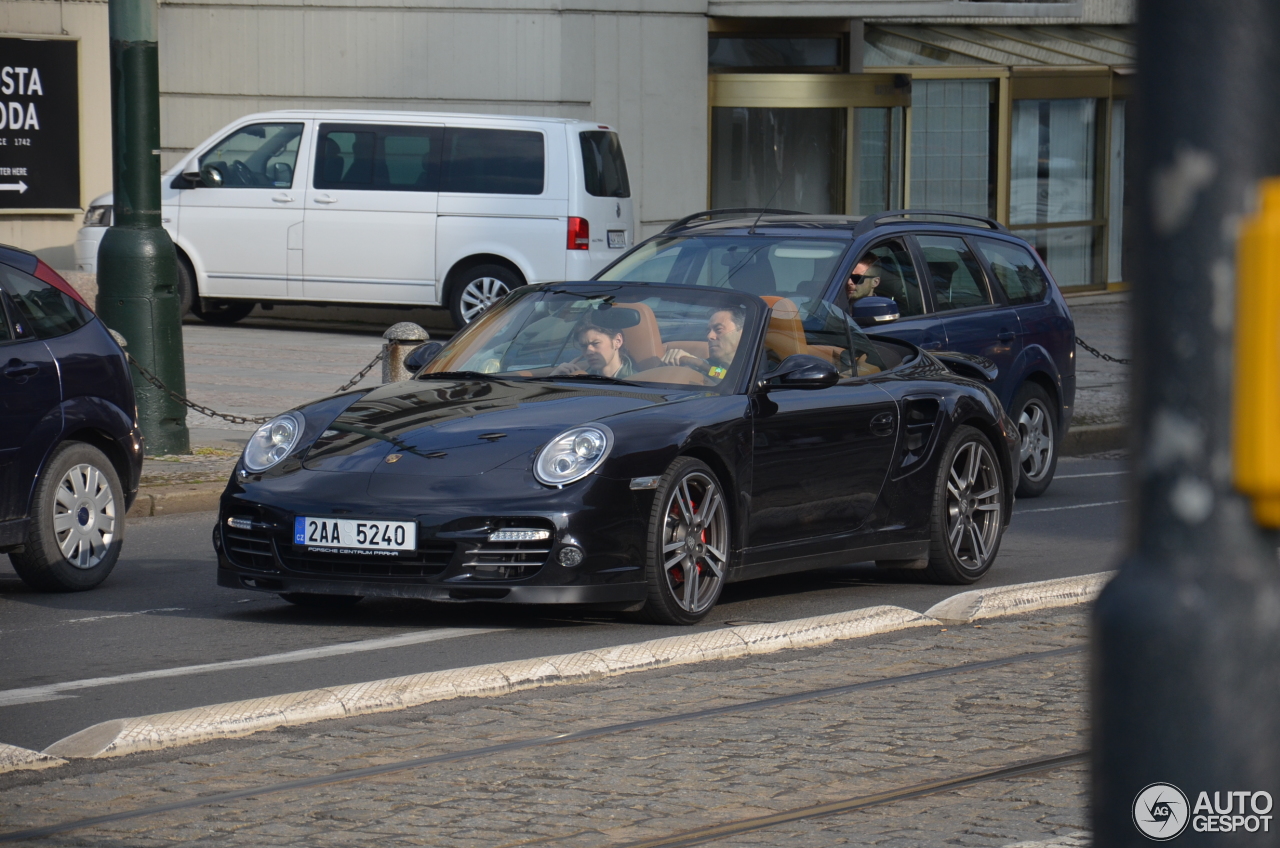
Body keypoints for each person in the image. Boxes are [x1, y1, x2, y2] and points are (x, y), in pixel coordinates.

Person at [659, 305, 745, 381]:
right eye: (708, 331)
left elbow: (729, 377)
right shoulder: (713, 365)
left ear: (742, 334)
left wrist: (697, 363)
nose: (709, 336)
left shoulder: (753, 366)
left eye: (718, 329)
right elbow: (719, 372)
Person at [551, 322, 636, 379]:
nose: (588, 352)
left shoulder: (637, 381)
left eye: (596, 343)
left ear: (617, 341)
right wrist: (553, 379)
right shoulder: (581, 379)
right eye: (583, 346)